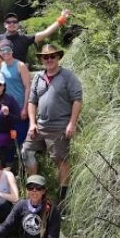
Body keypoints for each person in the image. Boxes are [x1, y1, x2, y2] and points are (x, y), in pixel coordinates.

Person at [26, 44, 83, 203]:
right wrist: (32, 123)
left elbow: (77, 99)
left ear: (58, 57)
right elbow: (32, 101)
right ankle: (34, 190)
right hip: (40, 125)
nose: (49, 59)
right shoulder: (38, 77)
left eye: (52, 56)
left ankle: (62, 198)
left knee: (61, 159)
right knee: (27, 152)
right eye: (46, 57)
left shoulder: (67, 76)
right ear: (42, 59)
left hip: (60, 126)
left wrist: (72, 123)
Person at [0, 10, 71, 62]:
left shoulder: (24, 39)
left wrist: (62, 18)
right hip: (2, 75)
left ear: (18, 24)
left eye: (14, 22)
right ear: (4, 25)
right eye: (8, 22)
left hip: (20, 74)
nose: (12, 24)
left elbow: (46, 33)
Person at [0, 40, 32, 147]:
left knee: (21, 134)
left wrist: (25, 108)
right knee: (10, 134)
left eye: (8, 49)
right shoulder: (1, 65)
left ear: (12, 51)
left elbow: (28, 87)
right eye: (2, 50)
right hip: (8, 106)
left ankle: (22, 159)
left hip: (20, 105)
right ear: (0, 53)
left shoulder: (20, 65)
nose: (5, 52)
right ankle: (11, 159)